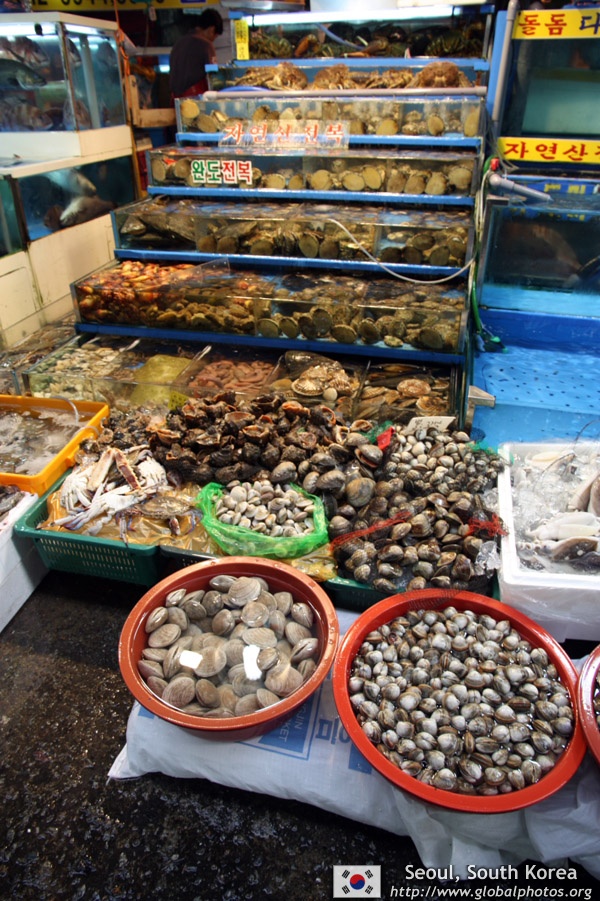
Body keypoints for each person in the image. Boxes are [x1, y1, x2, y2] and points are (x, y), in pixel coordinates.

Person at [169, 9, 224, 100]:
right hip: (196, 99)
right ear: (211, 30)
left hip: (175, 100)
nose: (213, 39)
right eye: (215, 36)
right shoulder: (206, 45)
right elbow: (213, 75)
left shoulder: (179, 43)